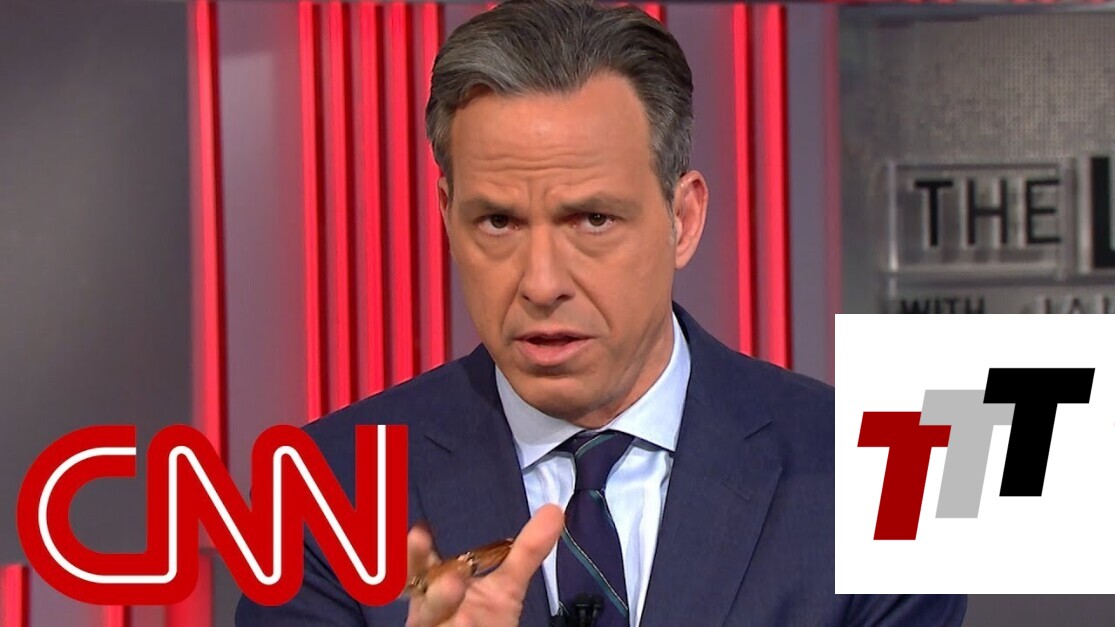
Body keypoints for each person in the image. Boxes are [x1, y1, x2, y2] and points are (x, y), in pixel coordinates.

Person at [236, 0, 966, 625]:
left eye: (592, 220)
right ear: (447, 216)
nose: (541, 282)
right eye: (498, 222)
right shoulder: (326, 493)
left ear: (682, 219)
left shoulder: (879, 473)